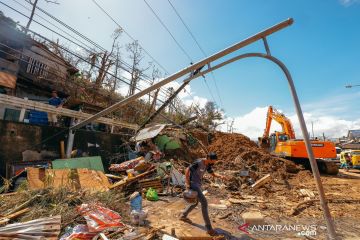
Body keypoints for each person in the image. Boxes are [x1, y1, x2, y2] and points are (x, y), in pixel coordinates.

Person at [180, 152, 227, 236]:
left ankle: (183, 215)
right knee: (204, 203)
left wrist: (221, 176)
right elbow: (187, 170)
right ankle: (209, 228)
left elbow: (212, 173)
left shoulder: (208, 165)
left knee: (195, 202)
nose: (214, 163)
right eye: (213, 161)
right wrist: (187, 183)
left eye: (214, 161)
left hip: (198, 184)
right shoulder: (198, 162)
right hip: (193, 184)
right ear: (208, 158)